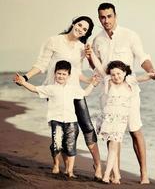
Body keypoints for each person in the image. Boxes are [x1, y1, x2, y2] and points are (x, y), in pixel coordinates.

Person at [13, 16, 103, 180]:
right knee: (63, 127)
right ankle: (66, 167)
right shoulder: (54, 41)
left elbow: (77, 72)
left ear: (86, 33)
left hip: (74, 90)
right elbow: (41, 64)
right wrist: (26, 78)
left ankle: (97, 165)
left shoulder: (82, 48)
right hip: (55, 90)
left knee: (87, 126)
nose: (81, 29)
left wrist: (90, 80)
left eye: (85, 29)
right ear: (74, 23)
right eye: (80, 25)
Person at [85, 2, 155, 184]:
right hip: (108, 94)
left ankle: (144, 174)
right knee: (112, 132)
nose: (106, 20)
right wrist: (89, 57)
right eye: (102, 17)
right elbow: (97, 68)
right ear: (99, 19)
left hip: (129, 92)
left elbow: (143, 58)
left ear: (115, 16)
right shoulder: (97, 40)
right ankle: (115, 173)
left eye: (109, 16)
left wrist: (152, 71)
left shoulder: (130, 35)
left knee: (135, 130)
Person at [14, 60, 100, 178]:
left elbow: (84, 93)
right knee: (57, 145)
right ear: (55, 73)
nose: (61, 76)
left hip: (71, 121)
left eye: (64, 74)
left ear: (69, 76)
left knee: (70, 146)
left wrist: (92, 84)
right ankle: (56, 164)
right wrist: (23, 83)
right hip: (56, 120)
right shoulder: (51, 88)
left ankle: (70, 171)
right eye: (59, 73)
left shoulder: (72, 89)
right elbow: (35, 89)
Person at [95, 60, 155, 184]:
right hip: (108, 119)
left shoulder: (129, 82)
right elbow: (99, 67)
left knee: (113, 146)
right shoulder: (109, 81)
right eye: (113, 74)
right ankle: (109, 175)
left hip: (120, 121)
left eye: (119, 74)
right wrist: (91, 53)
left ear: (125, 73)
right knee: (112, 145)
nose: (116, 76)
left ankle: (111, 175)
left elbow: (144, 77)